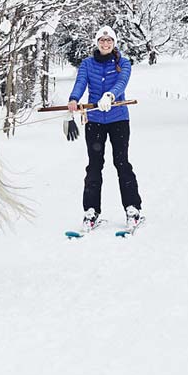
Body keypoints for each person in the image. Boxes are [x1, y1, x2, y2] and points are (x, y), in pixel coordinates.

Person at [66, 26, 143, 232]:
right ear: (97, 42)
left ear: (114, 43)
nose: (105, 44)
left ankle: (132, 208)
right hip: (95, 121)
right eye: (102, 40)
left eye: (109, 40)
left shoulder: (123, 63)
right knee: (94, 165)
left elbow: (121, 82)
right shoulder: (87, 64)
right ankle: (91, 211)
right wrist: (74, 99)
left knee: (122, 163)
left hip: (118, 119)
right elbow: (81, 82)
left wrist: (110, 95)